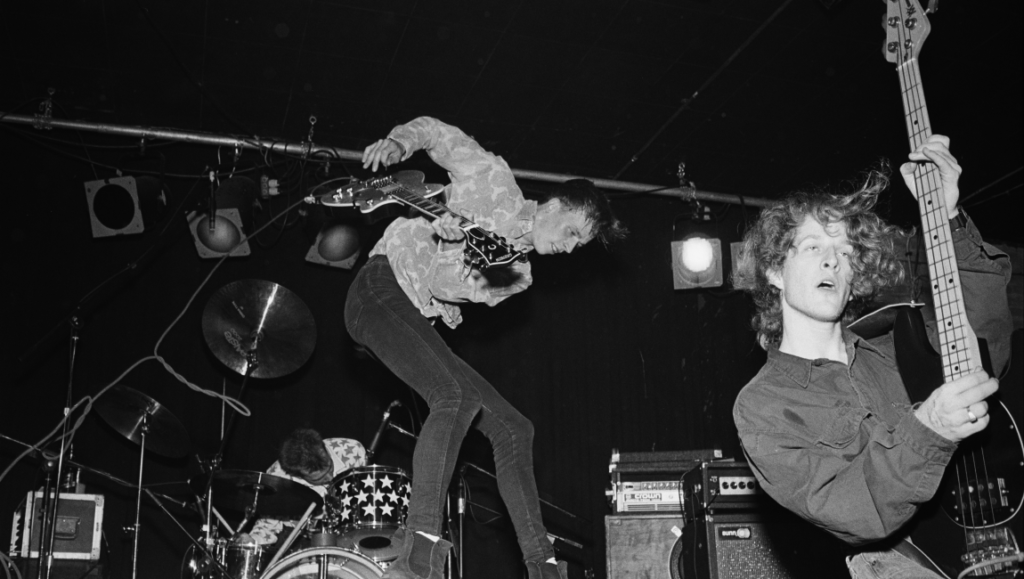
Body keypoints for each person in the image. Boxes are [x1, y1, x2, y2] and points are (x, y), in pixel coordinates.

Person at [346, 116, 626, 579]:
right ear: (554, 204)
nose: (571, 249)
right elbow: (437, 133)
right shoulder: (493, 179)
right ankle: (419, 551)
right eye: (573, 233)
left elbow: (444, 283)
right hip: (377, 290)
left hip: (411, 316)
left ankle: (542, 567)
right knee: (455, 397)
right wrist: (400, 142)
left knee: (515, 428)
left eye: (581, 246)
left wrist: (455, 248)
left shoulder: (518, 274)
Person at [731, 135, 1012, 578]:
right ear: (773, 272)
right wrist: (931, 428)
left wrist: (948, 216)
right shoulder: (764, 407)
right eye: (813, 248)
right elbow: (854, 509)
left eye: (844, 253)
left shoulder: (899, 348)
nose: (833, 262)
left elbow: (985, 338)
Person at [248, 428, 366, 547]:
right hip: (301, 538)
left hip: (349, 530)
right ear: (296, 474)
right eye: (319, 479)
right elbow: (268, 523)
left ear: (325, 449)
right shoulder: (277, 476)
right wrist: (252, 540)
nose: (330, 478)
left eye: (330, 468)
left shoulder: (352, 451)